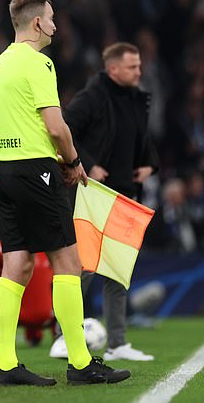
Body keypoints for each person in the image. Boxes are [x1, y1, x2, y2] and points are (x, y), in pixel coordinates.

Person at [0, 0, 130, 386]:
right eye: (50, 17)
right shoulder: (39, 63)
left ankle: (6, 364)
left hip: (5, 171)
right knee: (67, 263)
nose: (55, 24)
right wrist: (72, 162)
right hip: (37, 170)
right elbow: (55, 126)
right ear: (37, 23)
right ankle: (81, 364)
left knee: (16, 264)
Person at [49, 42, 159, 362]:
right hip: (93, 195)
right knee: (83, 267)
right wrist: (88, 162)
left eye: (139, 66)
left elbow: (141, 137)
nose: (139, 72)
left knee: (118, 269)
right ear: (113, 69)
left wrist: (150, 163)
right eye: (132, 67)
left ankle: (118, 342)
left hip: (124, 194)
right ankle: (63, 336)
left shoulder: (138, 98)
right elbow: (64, 130)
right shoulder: (92, 97)